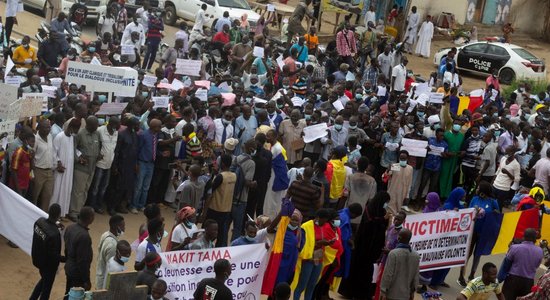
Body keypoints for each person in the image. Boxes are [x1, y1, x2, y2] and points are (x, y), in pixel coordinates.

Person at [339, 192, 390, 299]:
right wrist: (382, 219)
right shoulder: (369, 210)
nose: (386, 204)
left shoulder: (382, 211)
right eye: (385, 202)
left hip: (373, 249)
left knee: (367, 272)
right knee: (358, 269)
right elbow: (369, 226)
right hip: (363, 247)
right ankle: (350, 292)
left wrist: (384, 220)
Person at [292, 208, 334, 300]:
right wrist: (320, 243)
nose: (325, 223)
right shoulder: (306, 226)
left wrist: (328, 243)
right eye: (324, 220)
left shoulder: (325, 226)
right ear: (318, 218)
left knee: (312, 286)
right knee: (302, 285)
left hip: (319, 258)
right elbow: (302, 243)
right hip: (308, 259)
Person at [68, 116, 101, 222]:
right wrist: (79, 159)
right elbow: (73, 148)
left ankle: (80, 211)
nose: (97, 127)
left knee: (85, 190)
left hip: (92, 168)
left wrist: (98, 155)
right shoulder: (80, 134)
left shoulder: (97, 134)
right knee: (78, 191)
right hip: (81, 168)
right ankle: (73, 212)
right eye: (95, 125)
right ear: (89, 125)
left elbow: (98, 147)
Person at [30, 203, 65, 300]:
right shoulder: (54, 234)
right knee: (46, 289)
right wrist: (66, 259)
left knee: (43, 281)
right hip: (49, 266)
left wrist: (56, 224)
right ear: (58, 215)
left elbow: (46, 226)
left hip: (37, 259)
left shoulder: (39, 222)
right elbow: (54, 255)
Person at [202, 154, 235, 247]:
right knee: (221, 234)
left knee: (207, 232)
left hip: (214, 209)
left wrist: (204, 213)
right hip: (226, 210)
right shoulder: (234, 176)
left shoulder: (220, 177)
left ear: (223, 164)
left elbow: (209, 193)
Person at [501, 228, 544, 300]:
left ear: (523, 237)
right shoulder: (540, 251)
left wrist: (500, 278)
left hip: (512, 280)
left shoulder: (514, 248)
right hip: (528, 282)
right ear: (535, 239)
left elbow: (506, 264)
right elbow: (537, 265)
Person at [89, 116, 120, 214]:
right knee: (96, 187)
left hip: (109, 164)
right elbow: (94, 142)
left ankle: (99, 205)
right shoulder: (100, 130)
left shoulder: (116, 133)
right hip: (100, 164)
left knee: (104, 187)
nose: (118, 127)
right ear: (111, 124)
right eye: (117, 125)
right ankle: (92, 206)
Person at [51, 119, 80, 218]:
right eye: (76, 130)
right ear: (71, 127)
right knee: (57, 191)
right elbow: (54, 152)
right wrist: (58, 163)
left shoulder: (72, 138)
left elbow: (73, 152)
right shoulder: (59, 137)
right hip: (60, 169)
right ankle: (53, 214)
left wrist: (80, 157)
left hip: (69, 170)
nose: (76, 132)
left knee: (66, 190)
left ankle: (61, 214)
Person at [130, 119, 161, 214]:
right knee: (138, 186)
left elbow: (153, 148)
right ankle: (133, 205)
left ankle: (141, 205)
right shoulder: (143, 135)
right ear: (153, 127)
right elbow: (137, 149)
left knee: (146, 187)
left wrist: (161, 153)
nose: (160, 128)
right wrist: (136, 163)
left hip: (151, 163)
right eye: (159, 126)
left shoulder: (155, 135)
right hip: (142, 162)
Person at [64, 206, 95, 299]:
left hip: (69, 267)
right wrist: (86, 280)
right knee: (76, 296)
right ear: (90, 218)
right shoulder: (84, 236)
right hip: (77, 273)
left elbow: (66, 249)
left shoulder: (70, 227)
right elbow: (82, 262)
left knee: (68, 292)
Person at [380, 228, 419, 300]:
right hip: (406, 295)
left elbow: (388, 274)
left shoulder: (393, 254)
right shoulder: (416, 255)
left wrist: (383, 291)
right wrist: (412, 292)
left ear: (399, 238)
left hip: (392, 294)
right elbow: (416, 276)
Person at [95, 215, 125, 289]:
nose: (124, 229)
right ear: (116, 227)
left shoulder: (105, 234)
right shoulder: (113, 245)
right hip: (104, 283)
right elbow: (110, 267)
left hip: (99, 275)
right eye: (122, 226)